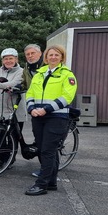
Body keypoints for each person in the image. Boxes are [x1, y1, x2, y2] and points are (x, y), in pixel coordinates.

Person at [25, 45, 77, 196]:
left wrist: (46, 109)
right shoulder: (39, 74)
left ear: (62, 57)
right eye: (50, 55)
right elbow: (30, 93)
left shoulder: (67, 75)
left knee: (48, 150)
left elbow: (67, 96)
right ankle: (51, 182)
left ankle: (41, 184)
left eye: (56, 55)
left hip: (56, 117)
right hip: (38, 117)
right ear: (46, 58)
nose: (53, 57)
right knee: (44, 150)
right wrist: (31, 108)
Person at [22, 43, 44, 178]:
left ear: (40, 53)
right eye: (27, 54)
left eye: (32, 53)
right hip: (34, 107)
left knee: (46, 141)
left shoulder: (46, 67)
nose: (30, 56)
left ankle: (46, 171)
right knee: (39, 137)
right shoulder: (27, 67)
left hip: (48, 107)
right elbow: (25, 83)